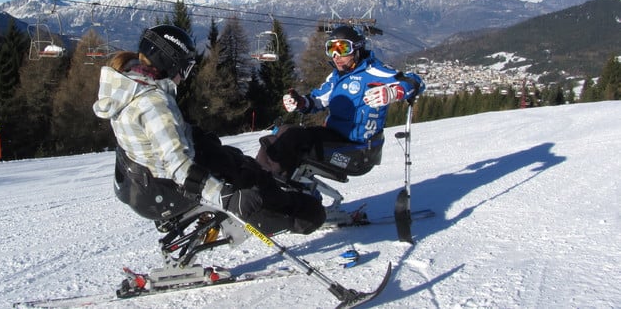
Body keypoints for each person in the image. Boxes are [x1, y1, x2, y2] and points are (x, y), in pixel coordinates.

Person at [93, 25, 325, 237]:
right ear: (168, 62)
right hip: (166, 190)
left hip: (144, 182)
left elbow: (153, 138)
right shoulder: (152, 103)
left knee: (232, 158)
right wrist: (227, 197)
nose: (183, 78)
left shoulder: (128, 86)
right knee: (261, 190)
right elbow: (180, 168)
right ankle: (299, 214)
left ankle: (277, 191)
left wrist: (192, 134)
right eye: (184, 68)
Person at [257, 25, 425, 179]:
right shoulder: (337, 76)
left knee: (292, 140)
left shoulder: (375, 71)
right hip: (333, 137)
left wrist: (394, 91)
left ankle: (269, 187)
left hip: (358, 150)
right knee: (283, 133)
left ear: (357, 48)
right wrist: (300, 102)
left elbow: (416, 82)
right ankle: (258, 178)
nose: (336, 56)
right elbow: (316, 101)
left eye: (342, 48)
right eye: (331, 49)